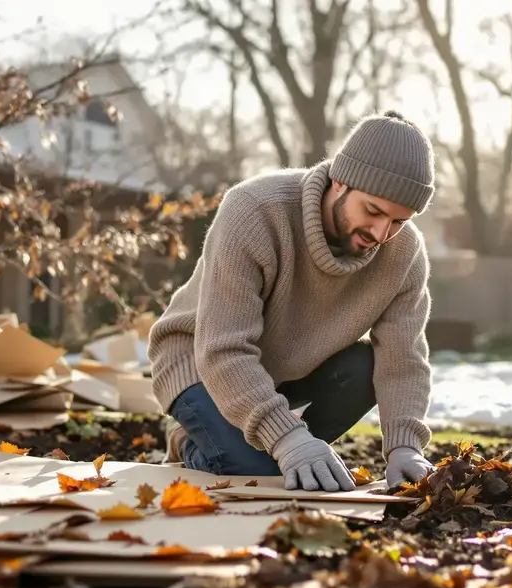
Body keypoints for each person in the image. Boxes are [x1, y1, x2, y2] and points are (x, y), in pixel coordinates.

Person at [147, 110, 438, 493]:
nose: (382, 234)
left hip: (285, 370)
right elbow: (223, 350)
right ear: (340, 181)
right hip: (199, 365)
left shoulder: (404, 254)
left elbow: (404, 360)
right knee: (257, 475)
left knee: (365, 366)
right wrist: (289, 441)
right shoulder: (254, 211)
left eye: (399, 221)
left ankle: (287, 451)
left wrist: (405, 446)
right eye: (373, 211)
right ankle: (190, 441)